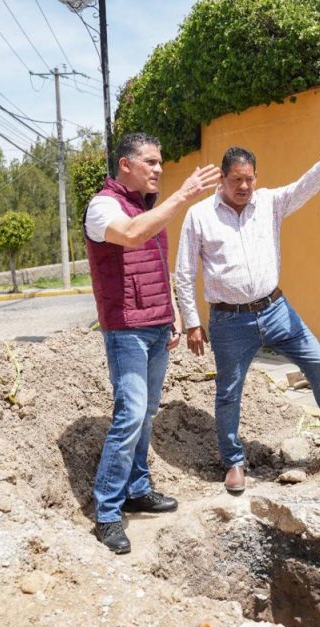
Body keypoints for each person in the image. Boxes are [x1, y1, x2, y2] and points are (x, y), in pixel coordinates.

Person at [174, 116, 320, 494]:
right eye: (236, 179)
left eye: (250, 179)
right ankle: (233, 462)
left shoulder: (269, 202)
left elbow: (305, 187)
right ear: (222, 179)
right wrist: (191, 322)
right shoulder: (199, 216)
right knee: (229, 392)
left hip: (276, 310)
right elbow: (184, 273)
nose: (244, 186)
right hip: (229, 321)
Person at [83, 132, 221, 554]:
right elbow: (129, 235)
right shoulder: (103, 206)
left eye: (160, 162)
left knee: (146, 415)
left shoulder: (148, 207)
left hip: (157, 326)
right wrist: (182, 196)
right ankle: (107, 512)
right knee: (129, 416)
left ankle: (137, 489)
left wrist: (173, 313)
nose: (159, 169)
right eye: (151, 162)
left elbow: (158, 265)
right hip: (126, 329)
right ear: (126, 164)